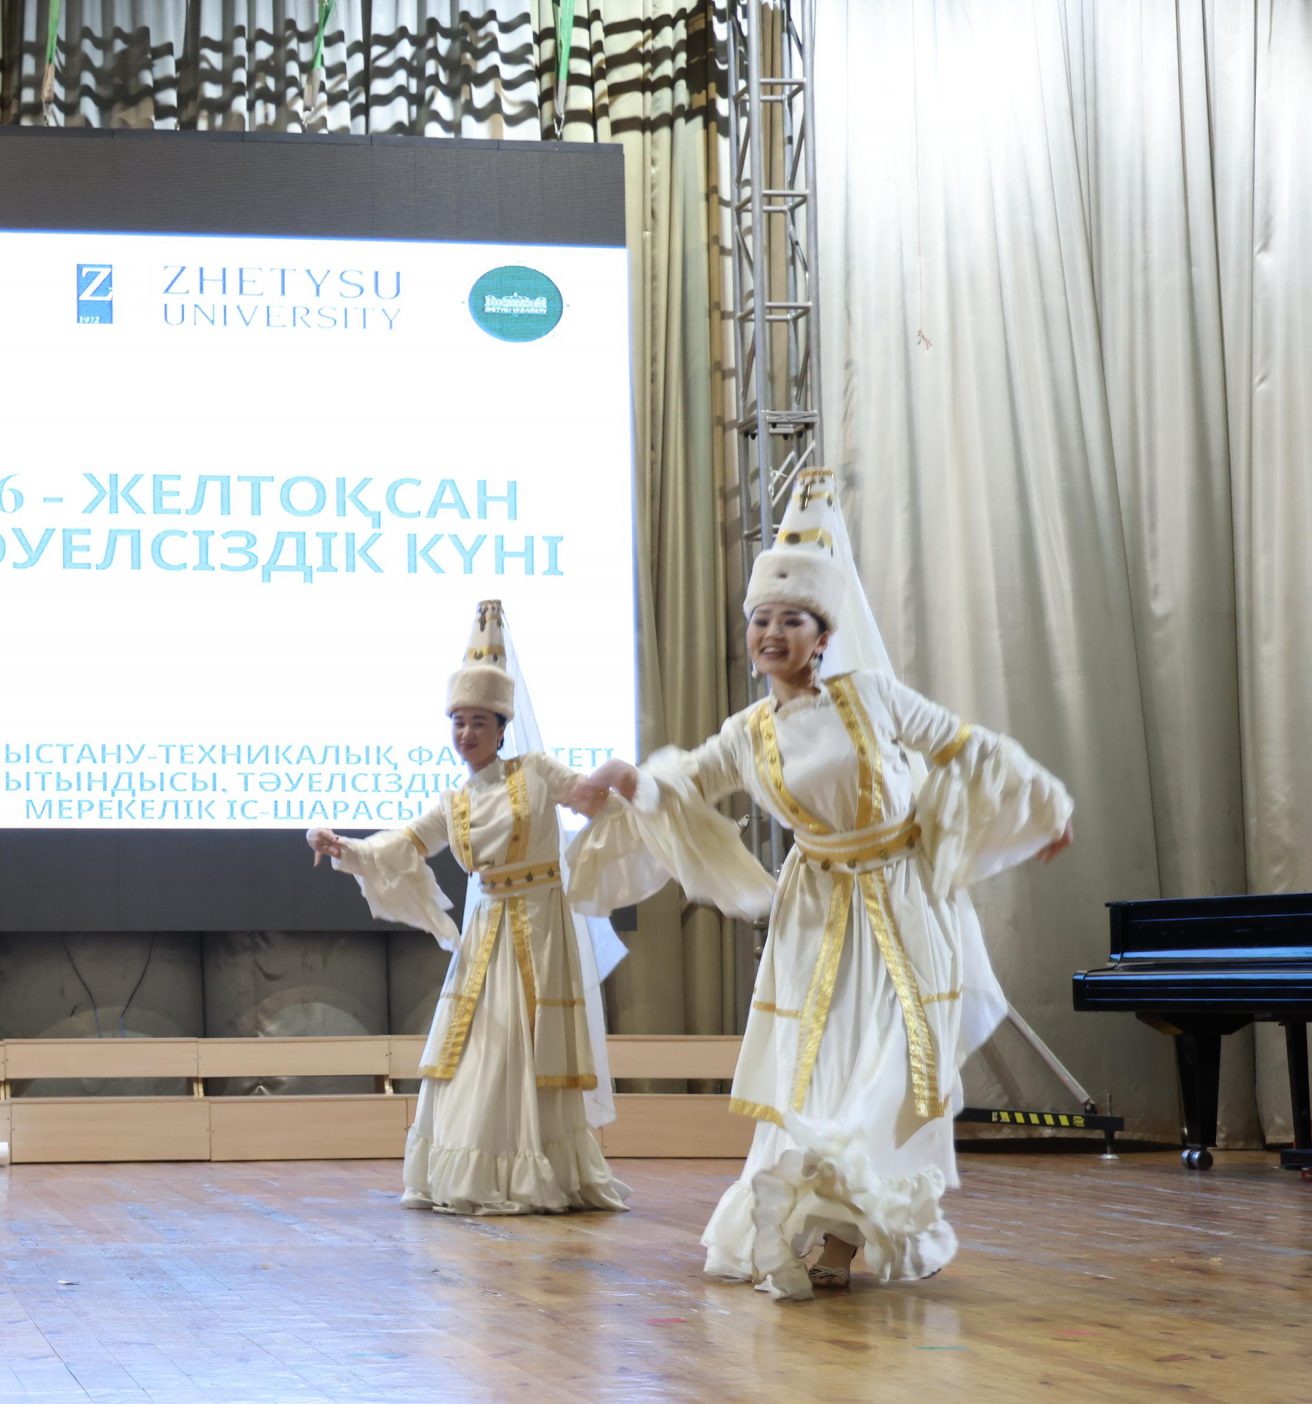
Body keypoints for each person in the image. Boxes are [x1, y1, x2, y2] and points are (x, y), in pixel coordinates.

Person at [565, 486, 1073, 1298]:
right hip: (816, 914)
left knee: (890, 1068)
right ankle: (819, 1223)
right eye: (761, 619)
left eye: (791, 620)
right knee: (821, 1072)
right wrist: (625, 777)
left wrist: (1036, 807)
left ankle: (849, 1228)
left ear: (824, 635)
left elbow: (963, 745)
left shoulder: (870, 695)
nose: (772, 633)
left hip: (902, 902)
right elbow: (686, 782)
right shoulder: (749, 732)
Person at [309, 600, 630, 1216]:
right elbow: (402, 845)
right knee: (477, 1047)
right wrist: (341, 846)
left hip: (539, 928)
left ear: (502, 727)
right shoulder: (454, 801)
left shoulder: (536, 772)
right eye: (457, 722)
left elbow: (591, 800)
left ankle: (535, 1169)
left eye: (478, 722)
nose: (466, 734)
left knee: (523, 1047)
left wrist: (621, 776)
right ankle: (472, 1168)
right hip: (486, 931)